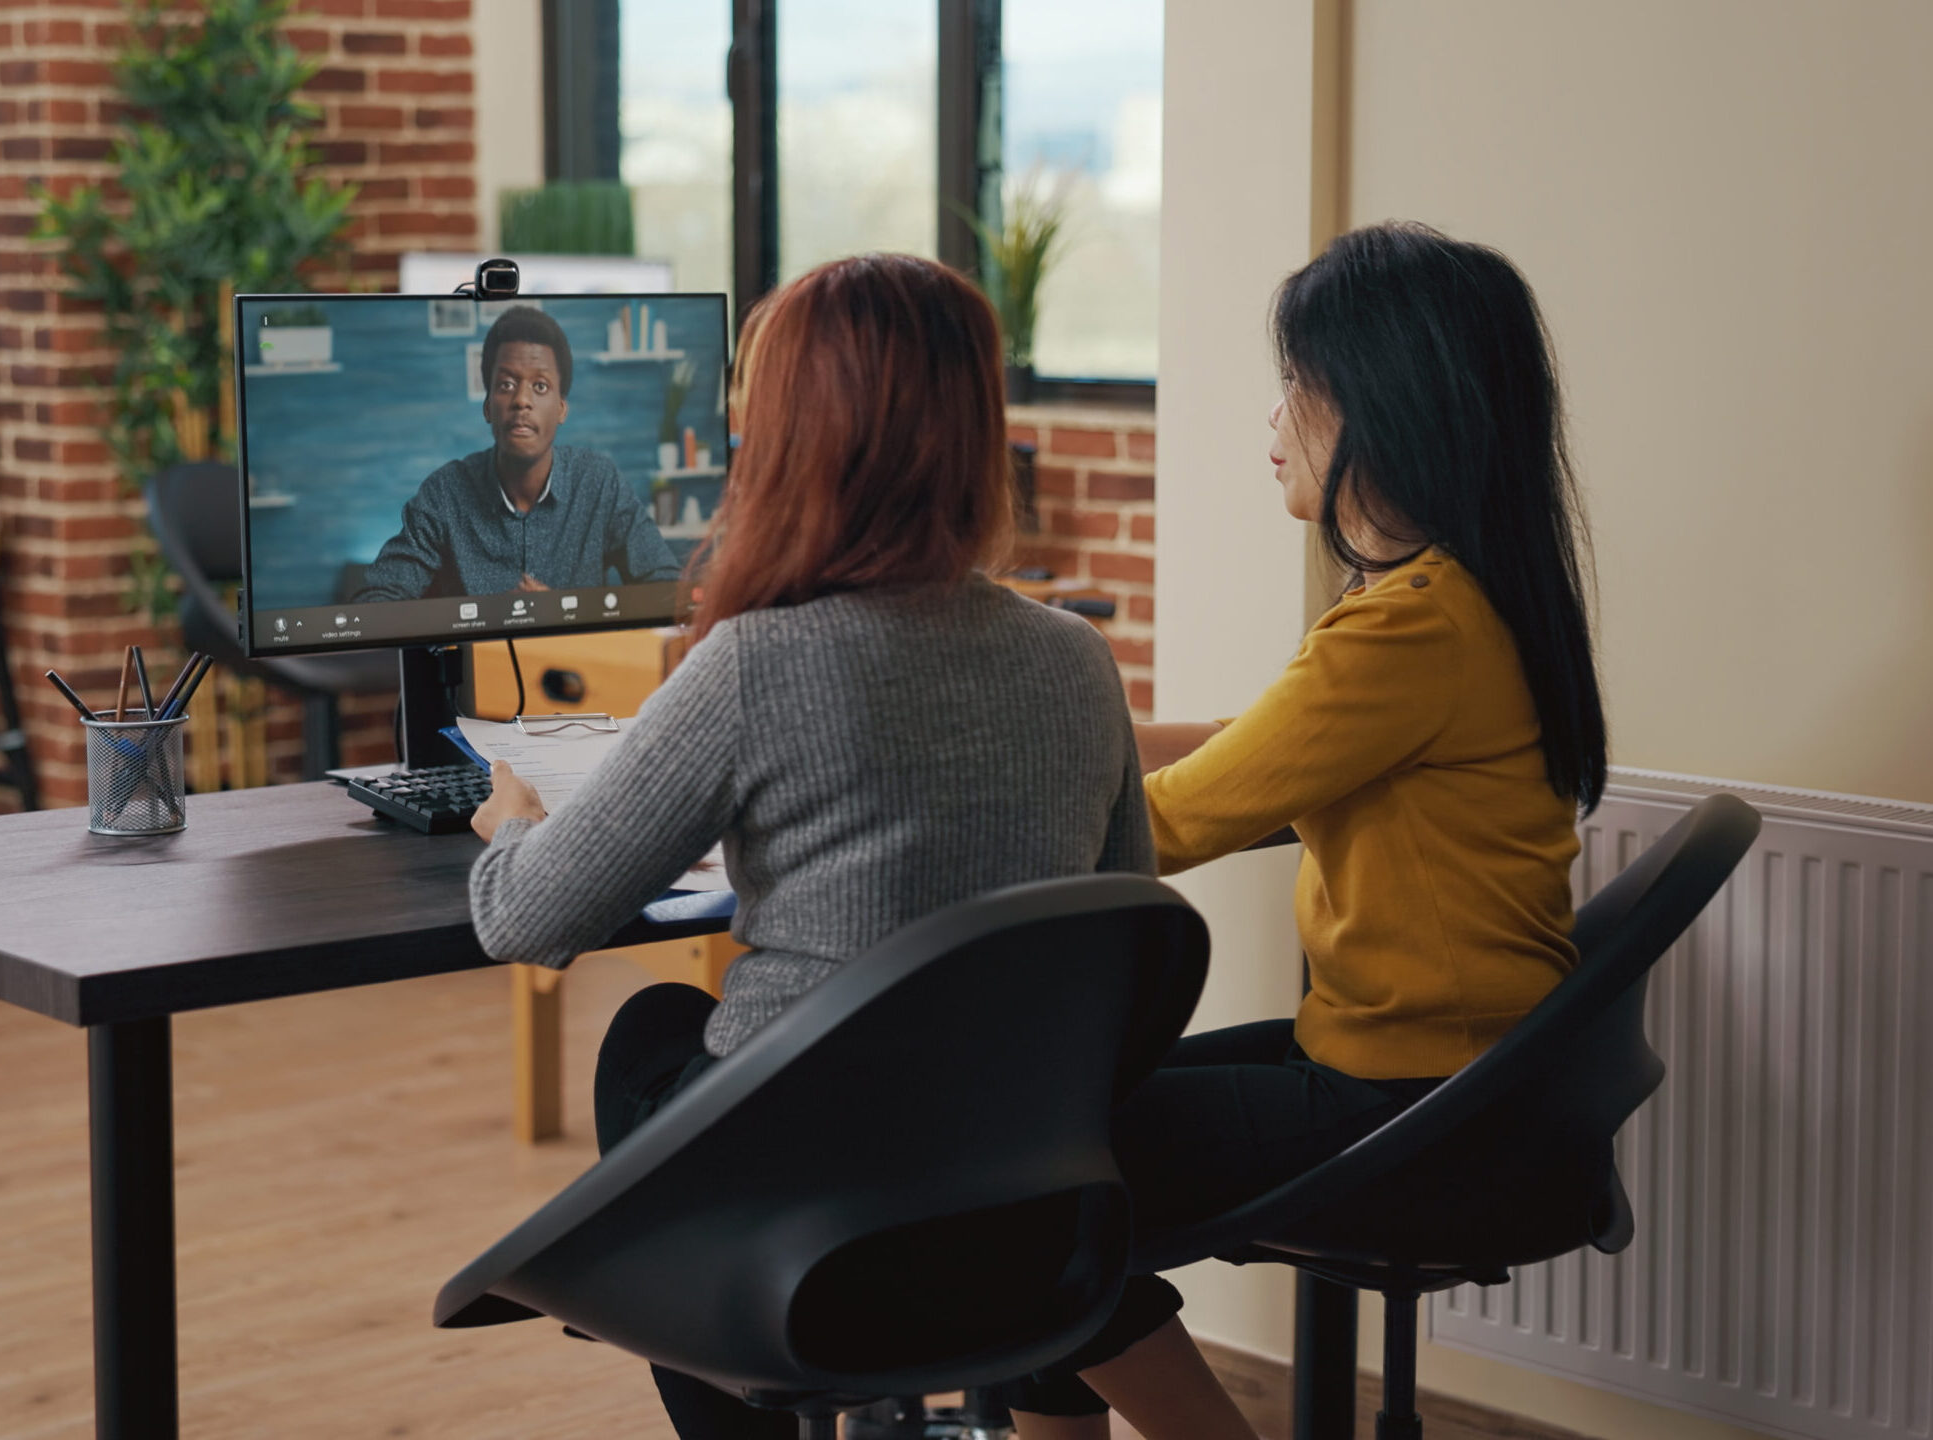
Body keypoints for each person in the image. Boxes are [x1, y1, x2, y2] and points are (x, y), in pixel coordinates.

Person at [465, 253, 1155, 1439]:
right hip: (1030, 1234)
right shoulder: (1078, 661)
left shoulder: (756, 664)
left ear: (792, 440)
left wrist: (511, 823)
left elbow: (524, 920)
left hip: (813, 1256)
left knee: (649, 1040)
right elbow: (1122, 931)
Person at [1006, 222, 1610, 1440]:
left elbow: (1167, 825)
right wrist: (1064, 744)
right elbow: (1254, 744)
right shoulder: (1456, 601)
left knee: (1013, 1182)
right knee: (1028, 1136)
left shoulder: (1406, 634)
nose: (1273, 418)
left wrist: (976, 820)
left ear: (1384, 410)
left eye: (1300, 386)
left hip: (1415, 1105)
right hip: (1472, 1083)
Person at [352, 305, 682, 601]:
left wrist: (566, 613)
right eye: (506, 385)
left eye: (540, 386)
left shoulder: (598, 483)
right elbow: (376, 601)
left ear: (562, 409)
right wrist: (490, 620)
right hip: (475, 667)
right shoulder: (445, 493)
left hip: (576, 665)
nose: (521, 401)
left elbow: (668, 587)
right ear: (487, 407)